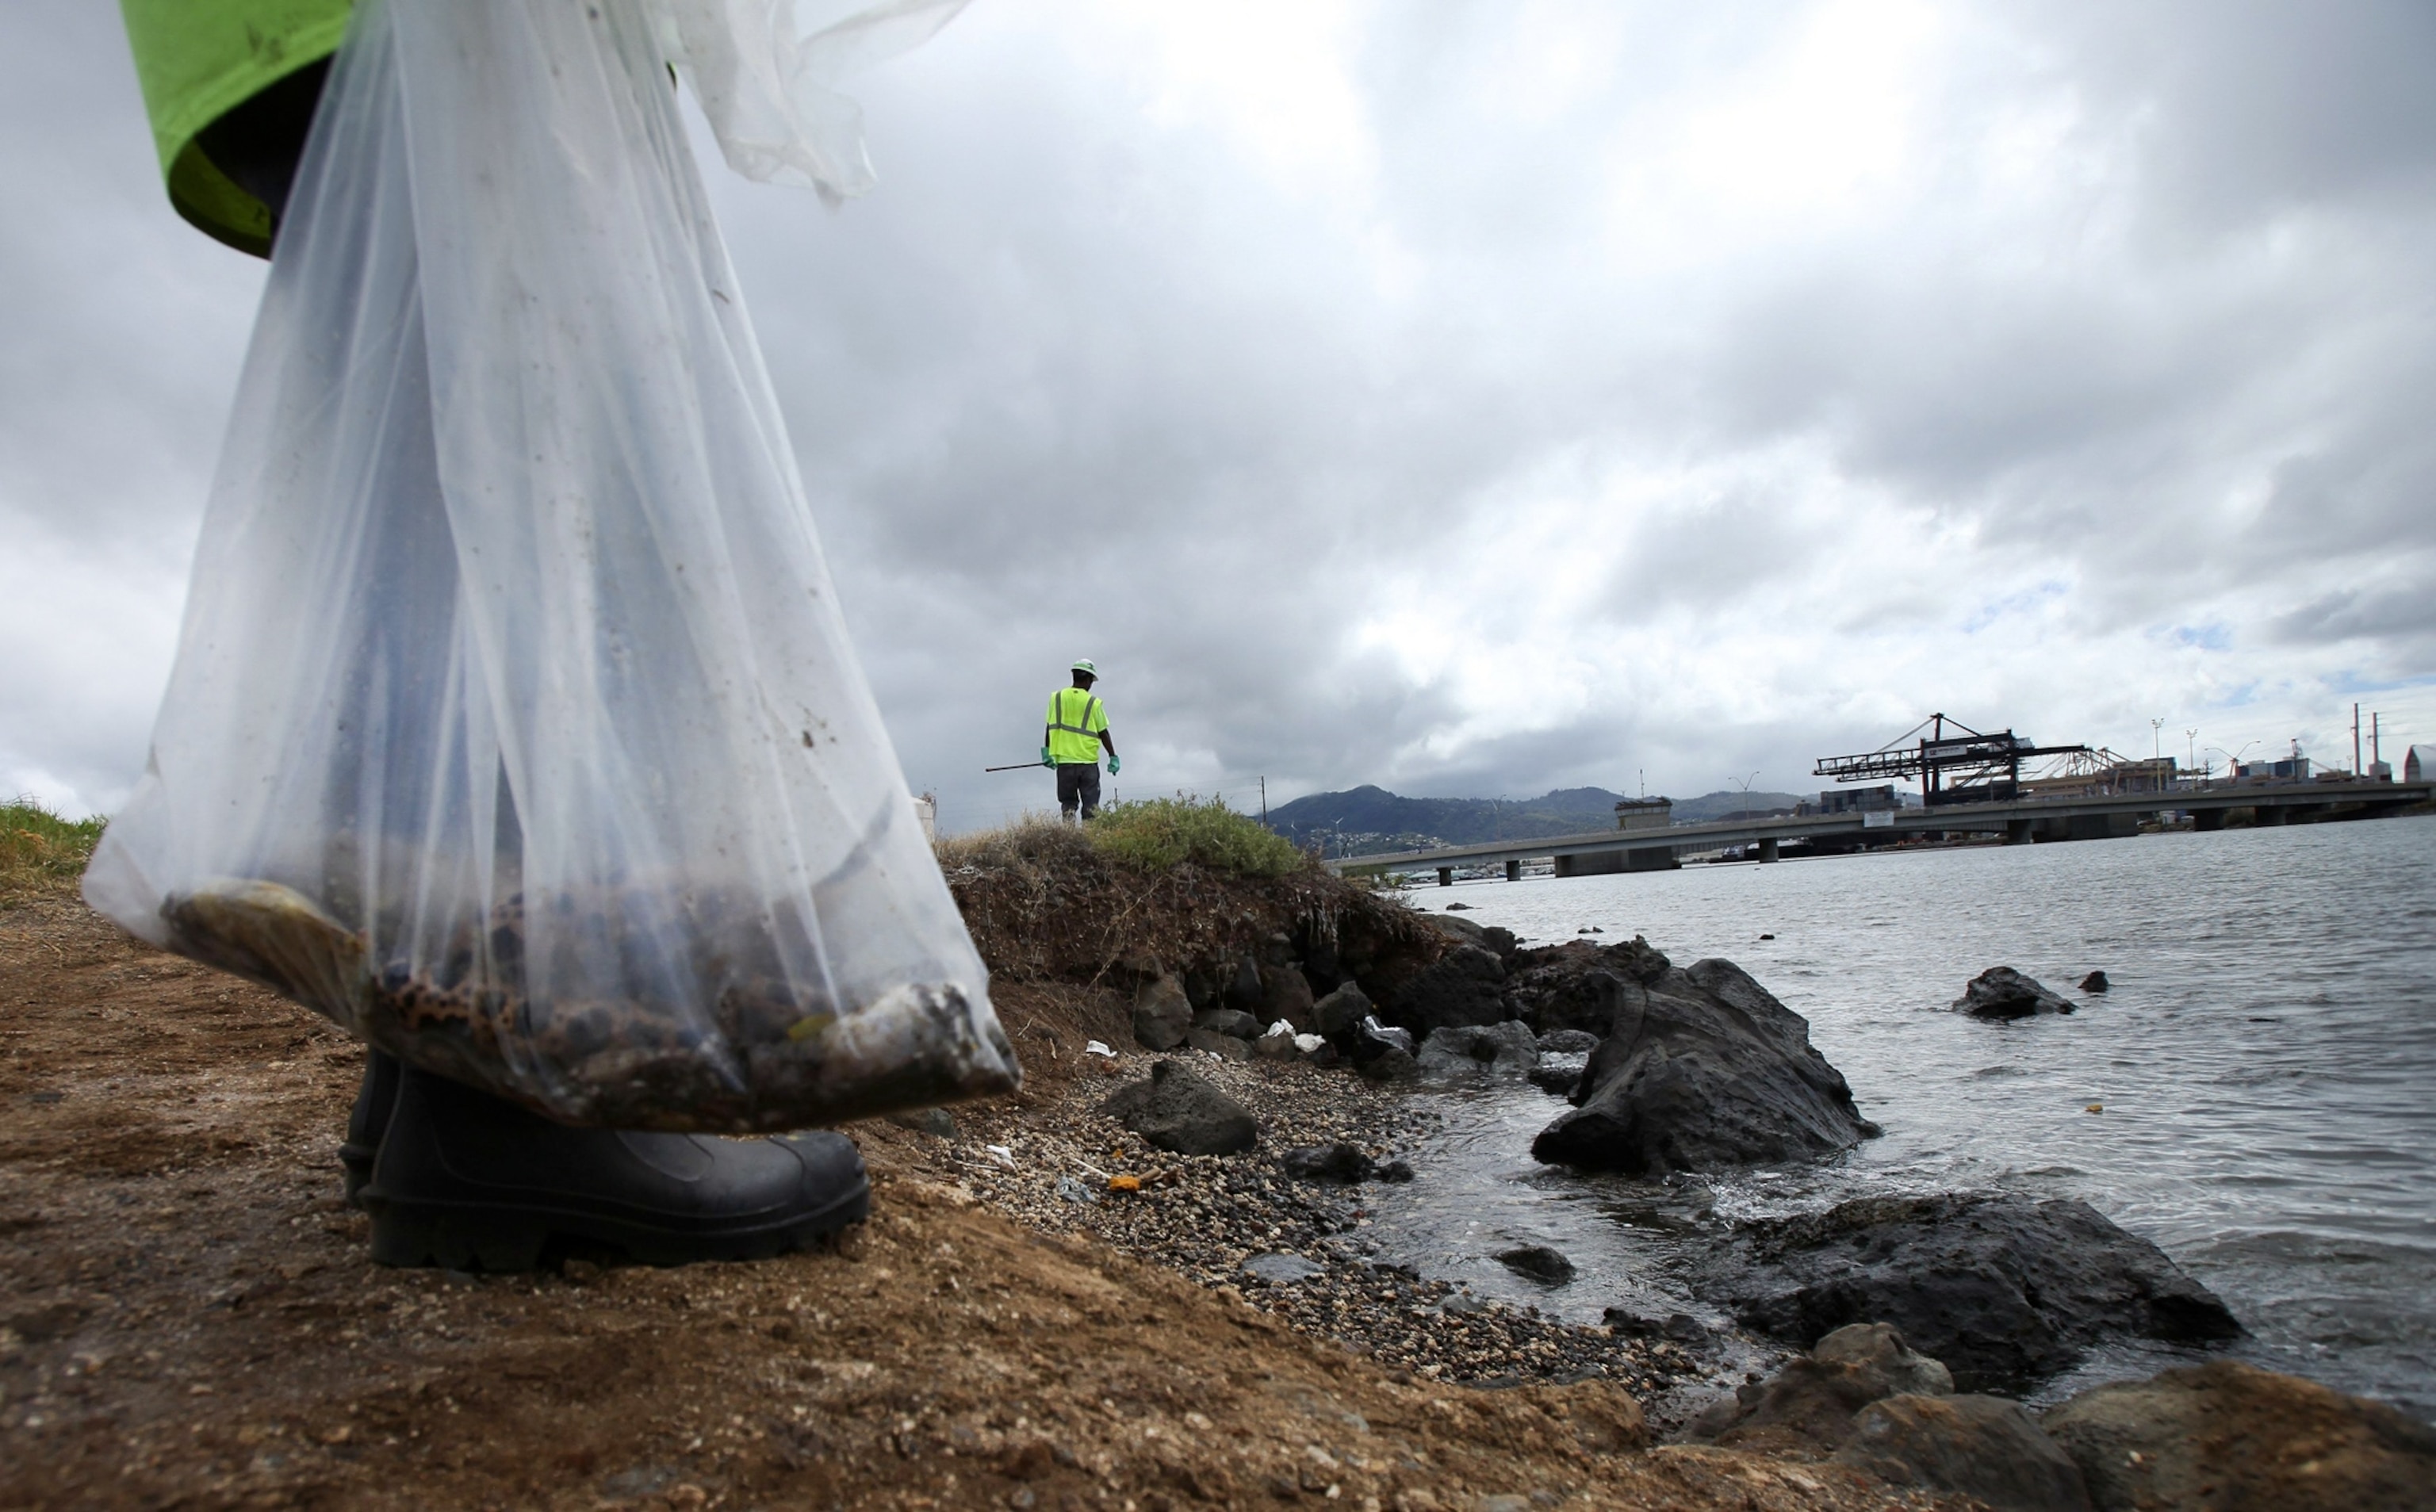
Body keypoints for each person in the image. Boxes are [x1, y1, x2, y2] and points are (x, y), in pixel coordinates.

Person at [117, 0, 871, 1272]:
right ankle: (511, 1103)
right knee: (536, 472)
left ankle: (427, 1069)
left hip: (260, 36)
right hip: (454, 29)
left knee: (427, 462)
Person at [1041, 658, 1119, 821]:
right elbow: (1103, 732)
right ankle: (1090, 839)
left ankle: (1069, 838)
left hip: (1065, 762)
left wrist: (1046, 752)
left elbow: (1050, 727)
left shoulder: (1056, 698)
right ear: (1088, 679)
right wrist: (1113, 756)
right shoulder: (1093, 703)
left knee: (1068, 805)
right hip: (1088, 763)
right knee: (1091, 807)